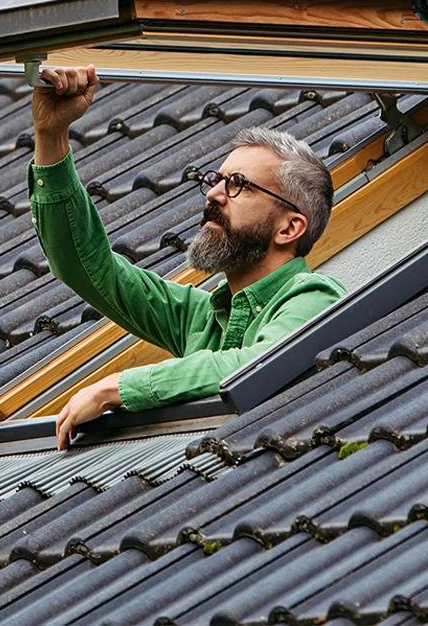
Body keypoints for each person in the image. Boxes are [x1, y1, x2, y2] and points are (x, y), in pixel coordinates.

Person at [27, 64, 346, 448]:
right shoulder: (202, 317)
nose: (214, 194)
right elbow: (86, 264)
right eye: (216, 181)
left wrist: (117, 387)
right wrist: (51, 134)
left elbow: (258, 363)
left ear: (289, 228)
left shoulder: (316, 298)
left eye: (238, 185)